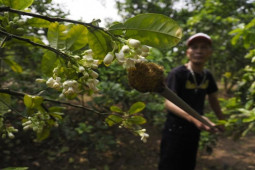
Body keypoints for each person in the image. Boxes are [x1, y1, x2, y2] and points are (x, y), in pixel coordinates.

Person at [158, 33, 225, 170]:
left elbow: (213, 99)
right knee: (169, 164)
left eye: (203, 47)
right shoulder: (177, 74)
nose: (199, 51)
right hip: (175, 129)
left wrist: (221, 120)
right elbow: (168, 103)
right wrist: (194, 117)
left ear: (210, 52)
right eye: (194, 47)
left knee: (188, 164)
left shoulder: (207, 76)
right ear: (188, 52)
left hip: (194, 130)